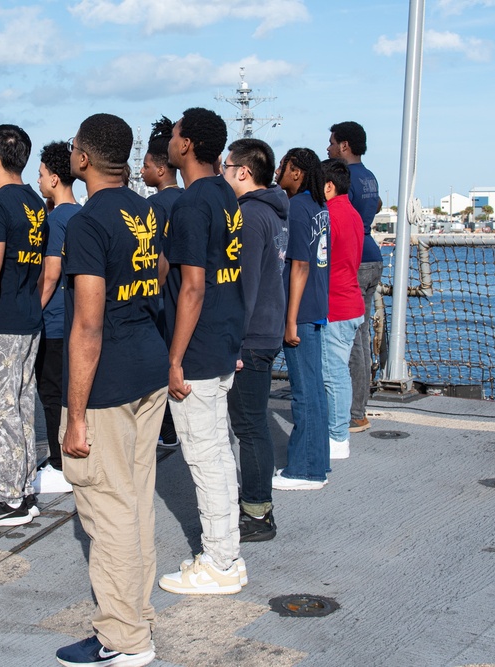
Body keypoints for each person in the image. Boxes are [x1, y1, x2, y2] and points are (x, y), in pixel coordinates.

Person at [55, 113, 168, 667]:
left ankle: (124, 638)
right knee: (135, 499)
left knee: (108, 507)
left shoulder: (87, 222)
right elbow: (162, 271)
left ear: (82, 157)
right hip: (148, 369)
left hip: (110, 383)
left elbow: (87, 323)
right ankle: (137, 617)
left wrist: (75, 415)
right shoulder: (143, 209)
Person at [157, 108, 247, 595]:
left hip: (197, 349)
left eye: (173, 136)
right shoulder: (225, 196)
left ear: (186, 145)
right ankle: (228, 554)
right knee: (218, 453)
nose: (169, 141)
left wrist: (174, 359)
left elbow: (192, 288)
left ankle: (219, 563)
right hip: (222, 338)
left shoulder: (192, 204)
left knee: (206, 457)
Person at [0, 125, 46, 528]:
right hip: (29, 316)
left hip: (2, 323)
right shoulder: (35, 203)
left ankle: (9, 499)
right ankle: (25, 487)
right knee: (20, 405)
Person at [221, 138, 289, 541]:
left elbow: (242, 285)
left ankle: (258, 513)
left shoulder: (248, 216)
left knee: (249, 426)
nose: (223, 171)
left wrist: (232, 342)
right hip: (269, 328)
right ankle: (257, 507)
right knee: (255, 422)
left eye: (227, 165)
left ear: (243, 171)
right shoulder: (277, 211)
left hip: (250, 335)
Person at [273, 147, 330, 491]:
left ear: (297, 172)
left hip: (301, 310)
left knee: (304, 392)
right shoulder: (318, 207)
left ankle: (306, 470)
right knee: (315, 388)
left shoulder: (296, 208)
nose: (279, 169)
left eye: (284, 165)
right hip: (316, 306)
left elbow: (300, 265)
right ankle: (318, 460)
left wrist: (289, 319)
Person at [327, 122, 383, 433]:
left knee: (352, 340)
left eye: (333, 142)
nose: (329, 148)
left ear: (345, 145)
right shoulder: (370, 177)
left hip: (355, 259)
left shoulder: (343, 177)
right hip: (372, 255)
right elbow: (375, 205)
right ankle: (359, 408)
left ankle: (354, 413)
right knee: (360, 336)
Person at [32, 141, 80, 495]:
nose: (38, 179)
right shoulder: (82, 215)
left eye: (41, 173)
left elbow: (50, 274)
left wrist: (31, 313)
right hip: (77, 321)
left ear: (54, 178)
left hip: (53, 323)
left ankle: (59, 462)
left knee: (51, 394)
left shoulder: (55, 221)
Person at [141, 115, 182, 449]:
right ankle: (174, 430)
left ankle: (165, 430)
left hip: (160, 297)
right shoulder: (188, 199)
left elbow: (154, 260)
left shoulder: (152, 207)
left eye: (145, 166)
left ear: (160, 169)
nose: (141, 172)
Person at [321, 159, 365, 459]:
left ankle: (337, 436)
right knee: (340, 372)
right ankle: (337, 431)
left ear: (328, 186)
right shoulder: (353, 214)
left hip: (334, 305)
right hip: (351, 301)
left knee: (332, 373)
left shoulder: (328, 216)